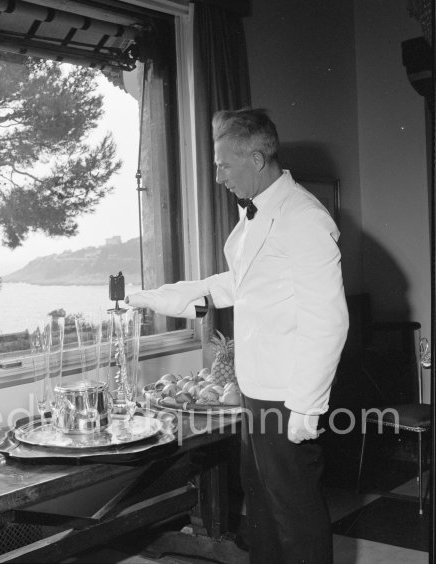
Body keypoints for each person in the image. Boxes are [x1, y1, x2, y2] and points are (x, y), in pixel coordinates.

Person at [126, 108, 349, 563]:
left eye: (224, 165)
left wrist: (308, 406)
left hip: (288, 395)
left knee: (294, 513)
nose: (218, 176)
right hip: (255, 389)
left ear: (258, 159)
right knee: (262, 508)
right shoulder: (254, 217)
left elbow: (329, 320)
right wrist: (155, 298)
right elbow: (235, 286)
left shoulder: (303, 217)